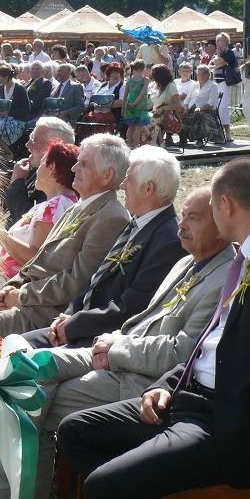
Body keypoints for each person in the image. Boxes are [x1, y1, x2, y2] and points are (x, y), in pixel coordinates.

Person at [58, 158, 250, 499]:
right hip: (191, 402)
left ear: (226, 204)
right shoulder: (249, 252)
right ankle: (145, 496)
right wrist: (168, 385)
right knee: (76, 429)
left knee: (104, 487)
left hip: (234, 423)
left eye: (211, 208)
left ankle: (133, 491)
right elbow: (215, 340)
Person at [0, 187, 235, 499]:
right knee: (25, 369)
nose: (182, 225)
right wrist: (109, 341)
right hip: (113, 354)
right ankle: (7, 488)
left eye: (193, 218)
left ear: (222, 224)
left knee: (32, 399)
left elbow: (183, 353)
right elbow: (140, 322)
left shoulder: (225, 276)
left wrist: (117, 349)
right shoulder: (185, 262)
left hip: (140, 378)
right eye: (182, 215)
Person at [22, 145, 186, 348]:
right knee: (13, 346)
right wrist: (69, 315)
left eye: (129, 179)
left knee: (15, 352)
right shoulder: (139, 224)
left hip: (102, 340)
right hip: (80, 325)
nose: (123, 185)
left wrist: (73, 325)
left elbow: (130, 308)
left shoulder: (167, 241)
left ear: (148, 189)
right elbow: (95, 280)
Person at [0, 134, 131, 335]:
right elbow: (40, 261)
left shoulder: (111, 217)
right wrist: (12, 286)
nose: (73, 169)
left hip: (44, 317)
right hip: (27, 303)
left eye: (83, 164)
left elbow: (77, 281)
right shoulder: (78, 207)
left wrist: (22, 295)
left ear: (107, 175)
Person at [0, 141, 79, 282]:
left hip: (11, 286)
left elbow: (35, 258)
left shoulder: (56, 205)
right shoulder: (63, 202)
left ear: (52, 168)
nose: (37, 170)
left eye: (41, 164)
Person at [5, 117, 75, 226]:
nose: (27, 145)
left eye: (34, 140)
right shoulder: (40, 171)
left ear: (54, 145)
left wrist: (17, 182)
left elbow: (27, 222)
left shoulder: (58, 180)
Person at [147, 64, 182, 147]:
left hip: (168, 115)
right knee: (141, 120)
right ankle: (159, 142)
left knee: (148, 122)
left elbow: (178, 105)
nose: (151, 74)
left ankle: (154, 144)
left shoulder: (171, 86)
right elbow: (150, 104)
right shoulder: (152, 85)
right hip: (154, 113)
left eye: (153, 73)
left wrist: (163, 108)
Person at [211, 32, 237, 143]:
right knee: (216, 107)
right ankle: (218, 133)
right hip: (216, 82)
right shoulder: (218, 53)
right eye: (217, 40)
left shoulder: (228, 52)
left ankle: (227, 133)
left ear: (226, 41)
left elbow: (217, 63)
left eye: (220, 40)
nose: (218, 42)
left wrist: (217, 59)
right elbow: (213, 65)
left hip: (225, 82)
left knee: (223, 107)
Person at [122, 60, 152, 148]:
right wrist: (135, 103)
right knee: (138, 128)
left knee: (131, 127)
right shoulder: (145, 80)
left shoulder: (129, 80)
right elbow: (143, 94)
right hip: (140, 106)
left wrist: (123, 108)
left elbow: (125, 95)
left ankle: (128, 146)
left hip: (129, 104)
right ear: (143, 69)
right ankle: (135, 147)